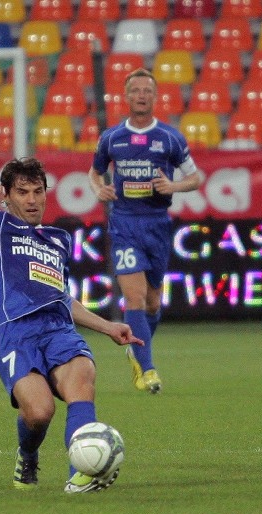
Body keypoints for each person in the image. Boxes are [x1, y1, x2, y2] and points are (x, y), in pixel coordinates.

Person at [0, 157, 143, 493]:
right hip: (13, 328)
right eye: (22, 192)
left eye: (37, 191)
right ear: (8, 196)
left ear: (46, 193)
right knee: (39, 412)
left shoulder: (59, 239)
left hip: (57, 327)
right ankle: (28, 454)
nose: (31, 199)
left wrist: (108, 326)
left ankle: (84, 474)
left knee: (82, 377)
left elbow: (60, 296)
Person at [88, 68, 202, 395]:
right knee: (134, 297)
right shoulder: (111, 137)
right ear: (126, 97)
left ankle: (135, 349)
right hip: (124, 223)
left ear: (154, 96)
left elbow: (195, 178)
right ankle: (147, 369)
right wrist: (99, 189)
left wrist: (173, 185)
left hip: (157, 225)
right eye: (135, 90)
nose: (141, 95)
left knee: (153, 303)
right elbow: (95, 173)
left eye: (146, 90)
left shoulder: (169, 138)